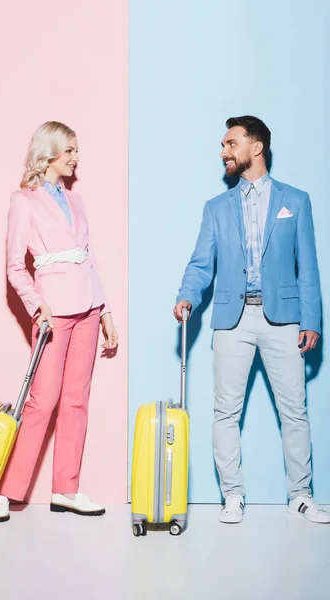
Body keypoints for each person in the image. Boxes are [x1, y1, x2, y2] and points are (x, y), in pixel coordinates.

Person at [174, 115, 329, 524]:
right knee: (226, 411)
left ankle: (301, 494)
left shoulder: (295, 201)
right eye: (223, 146)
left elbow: (307, 267)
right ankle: (232, 495)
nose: (224, 151)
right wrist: (187, 296)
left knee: (294, 410)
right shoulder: (216, 208)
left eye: (231, 144)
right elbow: (200, 264)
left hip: (285, 319)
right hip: (232, 319)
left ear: (255, 147)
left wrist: (311, 318)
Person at [0, 121, 118, 522]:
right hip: (53, 312)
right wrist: (36, 304)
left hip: (88, 309)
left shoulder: (77, 202)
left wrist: (107, 312)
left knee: (76, 401)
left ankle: (67, 489)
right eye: (70, 152)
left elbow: (89, 256)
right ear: (49, 154)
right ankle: (7, 492)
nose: (76, 159)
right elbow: (14, 267)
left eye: (77, 152)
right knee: (42, 402)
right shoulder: (23, 201)